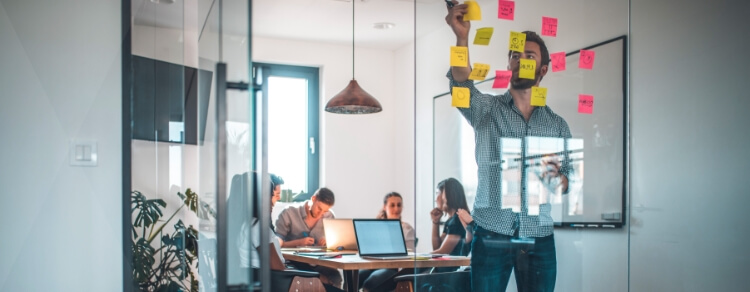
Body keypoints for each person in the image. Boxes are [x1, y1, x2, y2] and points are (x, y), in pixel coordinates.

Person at [445, 1, 572, 291]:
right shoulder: (486, 109)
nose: (519, 59)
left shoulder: (557, 126)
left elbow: (568, 184)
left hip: (539, 237)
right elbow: (461, 85)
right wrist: (462, 37)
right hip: (491, 235)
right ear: (508, 64)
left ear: (543, 69)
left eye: (528, 55)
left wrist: (555, 176)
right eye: (514, 54)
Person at [274, 187, 343, 288]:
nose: (321, 214)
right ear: (313, 198)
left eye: (325, 211)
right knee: (317, 278)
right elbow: (276, 242)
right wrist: (298, 243)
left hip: (318, 262)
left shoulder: (329, 216)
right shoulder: (289, 213)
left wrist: (325, 245)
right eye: (319, 208)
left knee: (335, 277)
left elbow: (336, 241)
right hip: (295, 263)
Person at [358, 192, 416, 292]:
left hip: (393, 268)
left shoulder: (407, 229)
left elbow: (410, 254)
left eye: (399, 205)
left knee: (370, 283)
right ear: (385, 207)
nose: (396, 209)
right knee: (356, 277)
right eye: (392, 205)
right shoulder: (376, 227)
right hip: (373, 265)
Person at [430, 178, 472, 261]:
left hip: (451, 270)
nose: (435, 199)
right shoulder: (451, 220)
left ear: (446, 196)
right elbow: (437, 247)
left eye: (437, 193)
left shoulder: (457, 220)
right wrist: (435, 222)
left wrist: (418, 256)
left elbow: (442, 252)